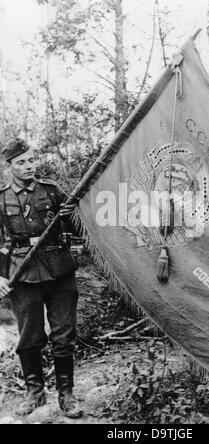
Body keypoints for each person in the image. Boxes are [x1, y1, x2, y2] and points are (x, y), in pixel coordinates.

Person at [0, 137, 82, 419]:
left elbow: (77, 227)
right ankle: (34, 392)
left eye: (31, 160)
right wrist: (0, 277)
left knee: (64, 333)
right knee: (29, 337)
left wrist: (73, 215)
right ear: (9, 165)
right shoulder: (1, 199)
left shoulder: (52, 190)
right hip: (21, 274)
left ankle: (67, 393)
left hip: (59, 269)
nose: (28, 166)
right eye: (21, 162)